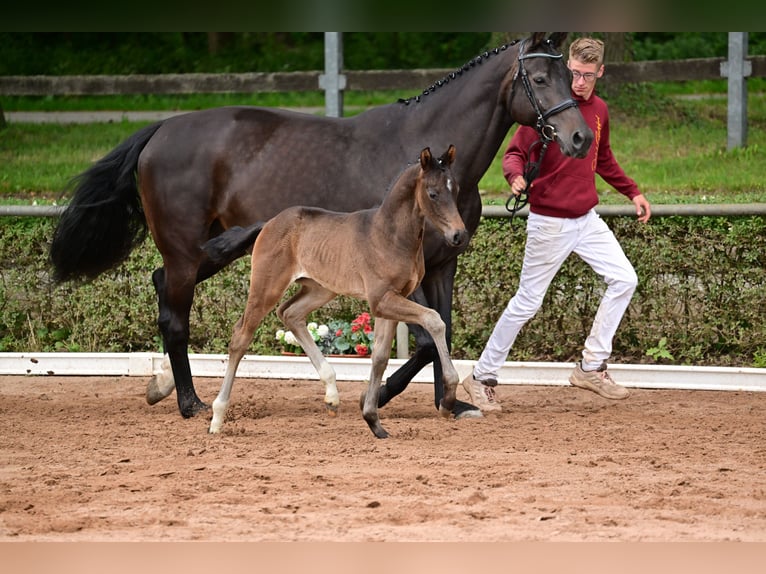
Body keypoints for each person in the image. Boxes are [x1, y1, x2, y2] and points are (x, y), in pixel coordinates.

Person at [462, 37, 652, 412]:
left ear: (600, 73)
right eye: (573, 73)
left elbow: (604, 159)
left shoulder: (599, 110)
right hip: (549, 221)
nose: (578, 81)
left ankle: (591, 366)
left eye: (586, 75)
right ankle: (481, 377)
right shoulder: (548, 105)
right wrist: (514, 176)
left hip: (586, 219)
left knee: (625, 279)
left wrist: (633, 192)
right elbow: (515, 153)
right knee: (527, 303)